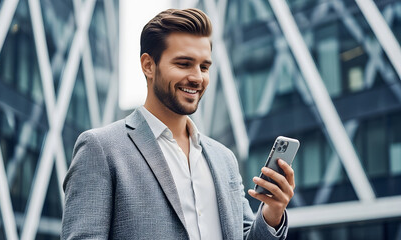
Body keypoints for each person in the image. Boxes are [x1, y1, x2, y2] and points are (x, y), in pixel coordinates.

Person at [61, 8, 295, 240]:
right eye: (184, 64)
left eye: (204, 67)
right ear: (148, 65)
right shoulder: (100, 148)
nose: (197, 77)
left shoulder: (224, 159)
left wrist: (271, 213)